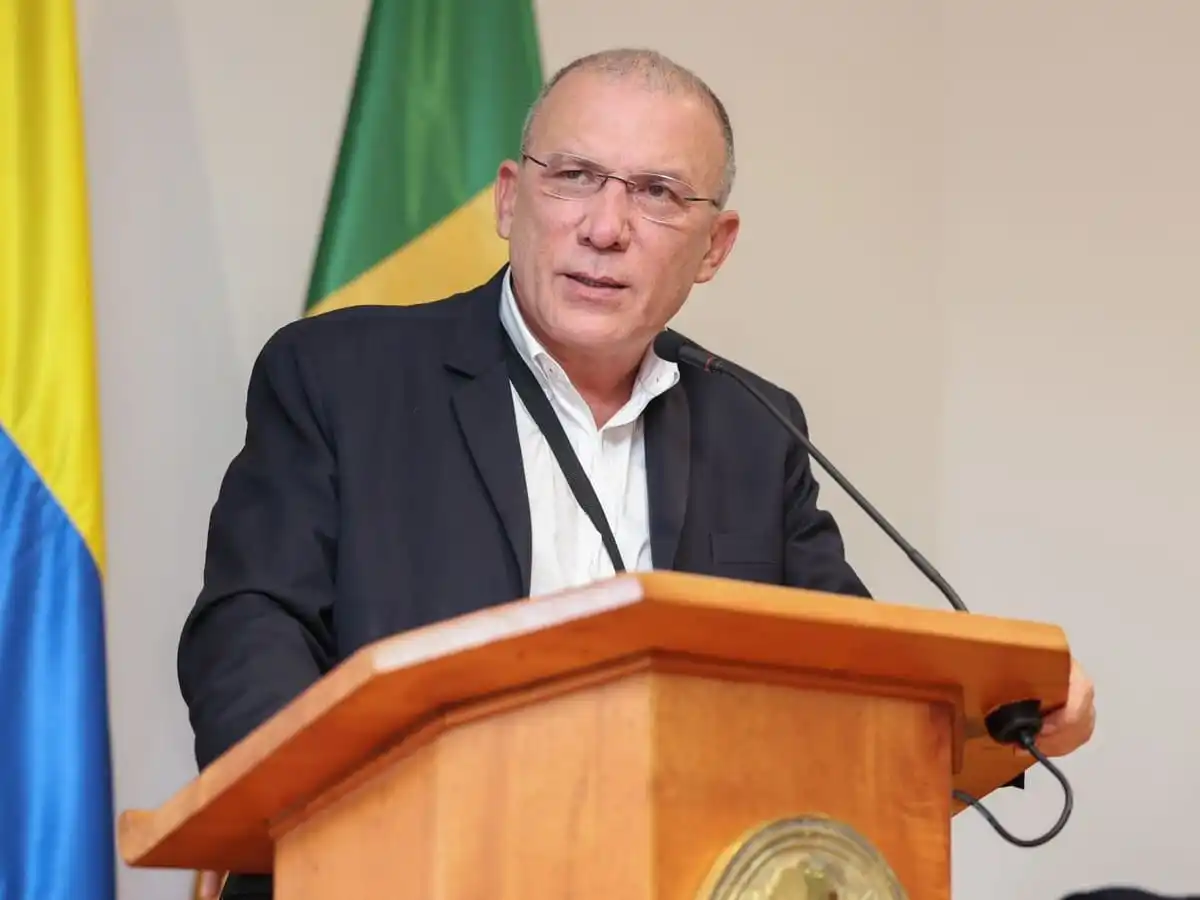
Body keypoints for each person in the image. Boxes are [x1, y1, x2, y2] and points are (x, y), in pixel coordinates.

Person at [180, 48, 1096, 899]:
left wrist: (1008, 715)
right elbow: (250, 631)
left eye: (658, 193)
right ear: (509, 200)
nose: (605, 227)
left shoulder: (754, 428)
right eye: (575, 176)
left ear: (715, 247)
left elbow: (853, 686)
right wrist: (338, 828)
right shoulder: (341, 378)